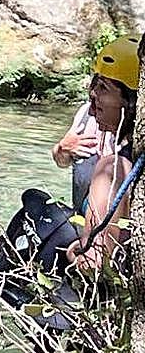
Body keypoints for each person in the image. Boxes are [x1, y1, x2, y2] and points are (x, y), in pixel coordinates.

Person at [68, 35, 140, 270]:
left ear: (131, 103)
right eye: (95, 84)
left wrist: (73, 252)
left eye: (104, 88)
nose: (93, 94)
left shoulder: (114, 168)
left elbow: (94, 264)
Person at [52, 99, 116, 215]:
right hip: (80, 211)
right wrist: (63, 149)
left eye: (103, 86)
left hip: (107, 215)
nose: (94, 89)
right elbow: (61, 162)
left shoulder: (131, 126)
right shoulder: (86, 111)